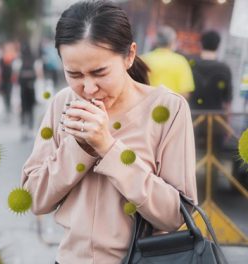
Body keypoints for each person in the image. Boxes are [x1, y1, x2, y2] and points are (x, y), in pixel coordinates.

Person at [20, 1, 197, 263]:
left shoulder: (168, 109)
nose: (88, 88)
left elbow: (175, 215)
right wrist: (79, 148)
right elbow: (34, 198)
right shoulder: (62, 104)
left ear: (129, 55)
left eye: (99, 72)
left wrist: (108, 147)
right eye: (74, 74)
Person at [190, 30, 232, 151]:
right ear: (218, 45)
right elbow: (227, 100)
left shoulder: (191, 64)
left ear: (201, 44)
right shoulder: (224, 68)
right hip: (215, 121)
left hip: (192, 118)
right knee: (212, 156)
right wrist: (227, 125)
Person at [143, 26, 195, 99]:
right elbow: (185, 92)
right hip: (171, 107)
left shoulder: (144, 59)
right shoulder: (180, 61)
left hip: (147, 106)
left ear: (156, 41)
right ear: (172, 41)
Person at [17, 42, 37, 141]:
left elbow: (17, 77)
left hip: (23, 91)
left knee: (24, 111)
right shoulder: (34, 62)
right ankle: (29, 130)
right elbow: (37, 75)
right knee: (30, 111)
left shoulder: (19, 62)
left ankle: (24, 130)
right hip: (31, 90)